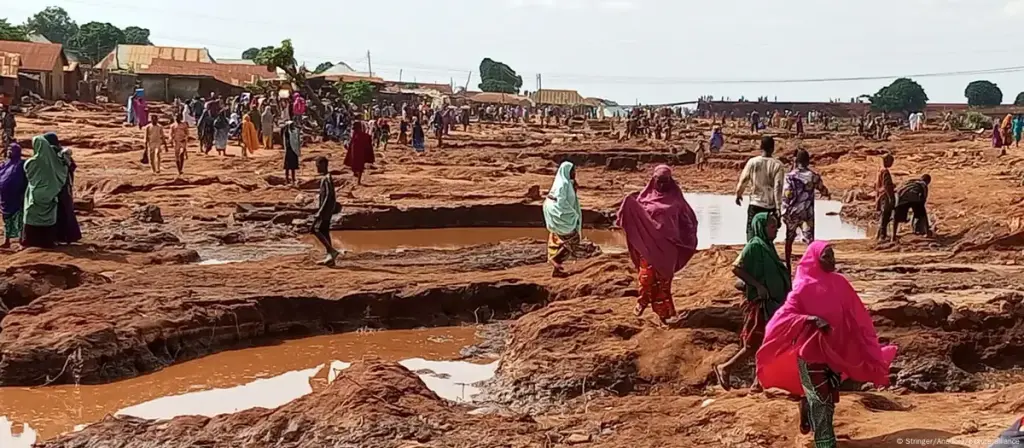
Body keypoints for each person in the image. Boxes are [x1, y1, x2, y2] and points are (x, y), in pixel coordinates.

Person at [757, 241, 897, 448]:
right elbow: (783, 317)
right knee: (821, 400)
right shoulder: (803, 287)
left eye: (832, 256)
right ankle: (825, 442)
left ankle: (808, 408)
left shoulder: (839, 283)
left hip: (834, 352)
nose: (832, 260)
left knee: (828, 399)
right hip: (810, 354)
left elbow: (856, 313)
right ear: (815, 259)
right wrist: (809, 319)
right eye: (826, 256)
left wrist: (861, 341)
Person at [714, 212, 791, 391]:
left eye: (776, 227)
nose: (775, 231)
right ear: (762, 227)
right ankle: (725, 368)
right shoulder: (755, 246)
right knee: (753, 343)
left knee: (768, 341)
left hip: (772, 303)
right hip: (760, 304)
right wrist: (758, 286)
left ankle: (758, 382)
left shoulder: (768, 246)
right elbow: (736, 268)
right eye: (772, 227)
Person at [616, 165, 698, 324]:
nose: (661, 184)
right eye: (658, 181)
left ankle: (665, 314)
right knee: (645, 276)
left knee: (663, 282)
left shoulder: (677, 199)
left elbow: (689, 221)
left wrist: (686, 239)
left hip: (669, 247)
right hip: (649, 247)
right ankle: (643, 300)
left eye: (664, 181)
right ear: (653, 180)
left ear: (670, 181)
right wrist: (627, 206)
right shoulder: (644, 197)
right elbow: (637, 216)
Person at [781, 149, 830, 272]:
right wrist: (827, 194)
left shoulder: (789, 176)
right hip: (807, 213)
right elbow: (822, 189)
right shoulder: (813, 176)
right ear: (808, 162)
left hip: (793, 212)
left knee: (789, 239)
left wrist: (783, 211)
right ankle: (813, 265)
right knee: (810, 240)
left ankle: (787, 264)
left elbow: (787, 195)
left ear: (796, 161)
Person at [21, 134, 69, 248]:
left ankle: (29, 241)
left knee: (31, 217)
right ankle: (47, 241)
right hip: (51, 194)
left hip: (35, 194)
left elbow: (28, 174)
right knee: (48, 219)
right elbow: (63, 174)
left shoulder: (31, 162)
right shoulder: (57, 163)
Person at [736, 136, 785, 241]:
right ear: (773, 149)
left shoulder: (752, 162)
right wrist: (778, 208)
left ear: (760, 147)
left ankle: (751, 253)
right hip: (770, 206)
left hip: (755, 204)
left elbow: (744, 180)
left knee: (751, 232)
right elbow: (778, 187)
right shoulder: (778, 165)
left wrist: (738, 194)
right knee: (769, 236)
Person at [543, 161, 584, 278]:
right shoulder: (563, 184)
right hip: (561, 215)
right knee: (573, 239)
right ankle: (555, 260)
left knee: (562, 240)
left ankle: (556, 270)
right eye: (572, 171)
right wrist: (572, 214)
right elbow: (560, 201)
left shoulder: (566, 183)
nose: (574, 173)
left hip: (559, 214)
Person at [50, 135, 81, 246]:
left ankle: (62, 236)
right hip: (66, 187)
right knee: (66, 211)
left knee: (60, 212)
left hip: (59, 188)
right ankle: (68, 237)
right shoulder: (61, 153)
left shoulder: (56, 154)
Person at [312, 156, 340, 265]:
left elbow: (329, 195)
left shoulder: (327, 178)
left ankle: (332, 251)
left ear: (323, 165)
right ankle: (330, 257)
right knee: (324, 231)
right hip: (326, 210)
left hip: (325, 210)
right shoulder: (326, 177)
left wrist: (321, 211)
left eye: (318, 166)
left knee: (315, 229)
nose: (317, 168)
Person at [0, 142, 26, 248]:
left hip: (17, 197)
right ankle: (6, 240)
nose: (9, 151)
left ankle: (21, 240)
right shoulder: (5, 164)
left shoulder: (22, 164)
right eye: (9, 149)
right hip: (5, 198)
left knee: (18, 219)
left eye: (12, 150)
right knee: (6, 220)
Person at [892, 174, 932, 241]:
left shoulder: (911, 181)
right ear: (927, 181)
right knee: (923, 215)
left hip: (903, 196)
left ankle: (893, 236)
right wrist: (919, 212)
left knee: (896, 218)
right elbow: (924, 198)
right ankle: (927, 233)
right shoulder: (923, 184)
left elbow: (900, 189)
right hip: (915, 197)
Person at [344, 121, 375, 185]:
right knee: (358, 166)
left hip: (358, 153)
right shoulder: (357, 135)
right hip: (357, 153)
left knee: (358, 166)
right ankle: (358, 179)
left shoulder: (359, 135)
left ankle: (358, 180)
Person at [875, 154, 896, 241]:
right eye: (891, 161)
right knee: (885, 217)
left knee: (883, 216)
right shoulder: (885, 172)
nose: (892, 163)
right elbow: (887, 186)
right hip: (885, 196)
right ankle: (882, 236)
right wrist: (891, 197)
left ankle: (880, 235)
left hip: (880, 196)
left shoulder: (880, 171)